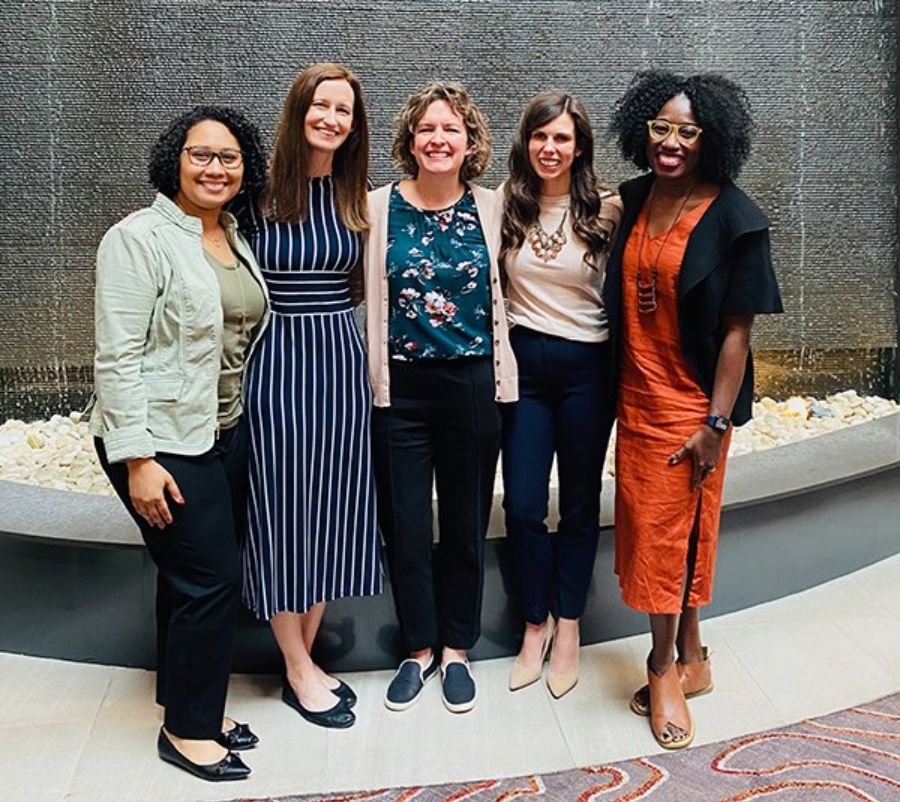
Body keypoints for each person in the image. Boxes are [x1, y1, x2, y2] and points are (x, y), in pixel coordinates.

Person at [606, 71, 783, 749]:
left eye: (686, 131)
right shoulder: (635, 197)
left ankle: (661, 670)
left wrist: (715, 424)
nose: (671, 143)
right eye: (660, 128)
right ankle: (697, 657)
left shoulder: (737, 218)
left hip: (691, 405)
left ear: (713, 139)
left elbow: (738, 333)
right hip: (635, 396)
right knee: (672, 532)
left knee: (667, 536)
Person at [92, 105, 269, 781]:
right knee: (210, 581)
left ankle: (190, 703)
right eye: (201, 155)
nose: (215, 168)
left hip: (221, 431)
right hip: (161, 441)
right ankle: (188, 733)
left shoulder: (230, 234)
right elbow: (116, 358)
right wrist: (137, 459)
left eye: (229, 158)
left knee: (189, 581)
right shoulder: (137, 238)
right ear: (175, 160)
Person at [232, 63, 381, 730]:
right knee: (281, 510)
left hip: (340, 360)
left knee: (331, 507)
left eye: (344, 110)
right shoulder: (257, 192)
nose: (333, 118)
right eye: (322, 105)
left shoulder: (354, 195)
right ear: (299, 111)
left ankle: (308, 655)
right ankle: (294, 667)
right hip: (278, 361)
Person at [365, 81, 517, 714]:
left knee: (464, 520)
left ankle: (457, 648)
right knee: (404, 523)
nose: (438, 139)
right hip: (400, 388)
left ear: (469, 141)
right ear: (410, 139)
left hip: (474, 382)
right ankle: (418, 648)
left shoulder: (495, 207)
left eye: (450, 129)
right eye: (428, 129)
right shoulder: (374, 208)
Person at [499, 91, 622, 699]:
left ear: (580, 147)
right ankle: (533, 622)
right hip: (523, 375)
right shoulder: (504, 207)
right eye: (541, 137)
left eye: (563, 139)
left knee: (577, 503)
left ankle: (569, 625)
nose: (551, 149)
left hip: (587, 374)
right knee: (522, 505)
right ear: (526, 143)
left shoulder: (607, 211)